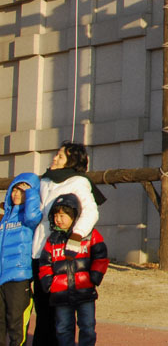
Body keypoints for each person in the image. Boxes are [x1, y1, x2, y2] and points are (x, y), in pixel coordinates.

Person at [32, 142, 104, 346]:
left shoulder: (78, 182)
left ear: (71, 162)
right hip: (39, 251)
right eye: (56, 155)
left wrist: (76, 236)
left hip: (61, 254)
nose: (54, 159)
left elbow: (91, 212)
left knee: (60, 314)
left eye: (60, 156)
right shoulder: (45, 180)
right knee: (42, 309)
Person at [37, 194, 107, 346]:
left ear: (74, 215)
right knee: (63, 328)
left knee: (87, 327)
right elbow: (44, 264)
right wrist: (49, 283)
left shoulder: (89, 235)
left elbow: (101, 256)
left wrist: (94, 277)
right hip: (60, 294)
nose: (58, 219)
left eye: (63, 215)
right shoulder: (52, 240)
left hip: (85, 291)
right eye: (56, 215)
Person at [0, 173, 41, 346]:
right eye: (14, 190)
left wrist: (31, 192)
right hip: (1, 277)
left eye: (22, 191)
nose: (17, 194)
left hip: (18, 277)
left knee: (16, 325)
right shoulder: (5, 218)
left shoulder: (29, 217)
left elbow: (32, 216)